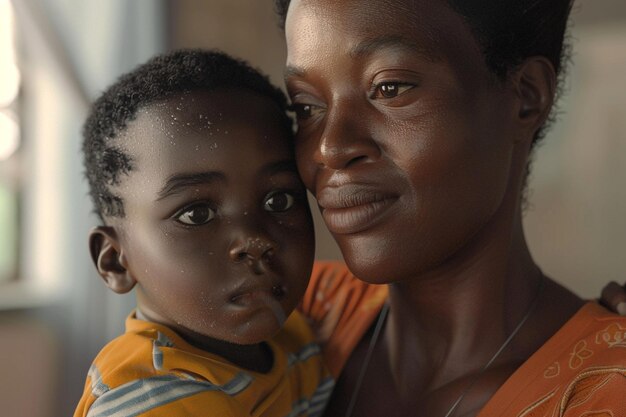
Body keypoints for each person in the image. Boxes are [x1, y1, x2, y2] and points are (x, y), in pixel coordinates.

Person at [273, 0, 626, 416]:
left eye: (390, 88)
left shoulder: (605, 393)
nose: (329, 148)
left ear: (526, 96)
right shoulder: (287, 311)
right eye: (306, 107)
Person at [74, 49, 342, 417]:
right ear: (114, 262)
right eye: (197, 213)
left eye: (278, 200)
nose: (254, 240)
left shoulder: (303, 329)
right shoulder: (149, 397)